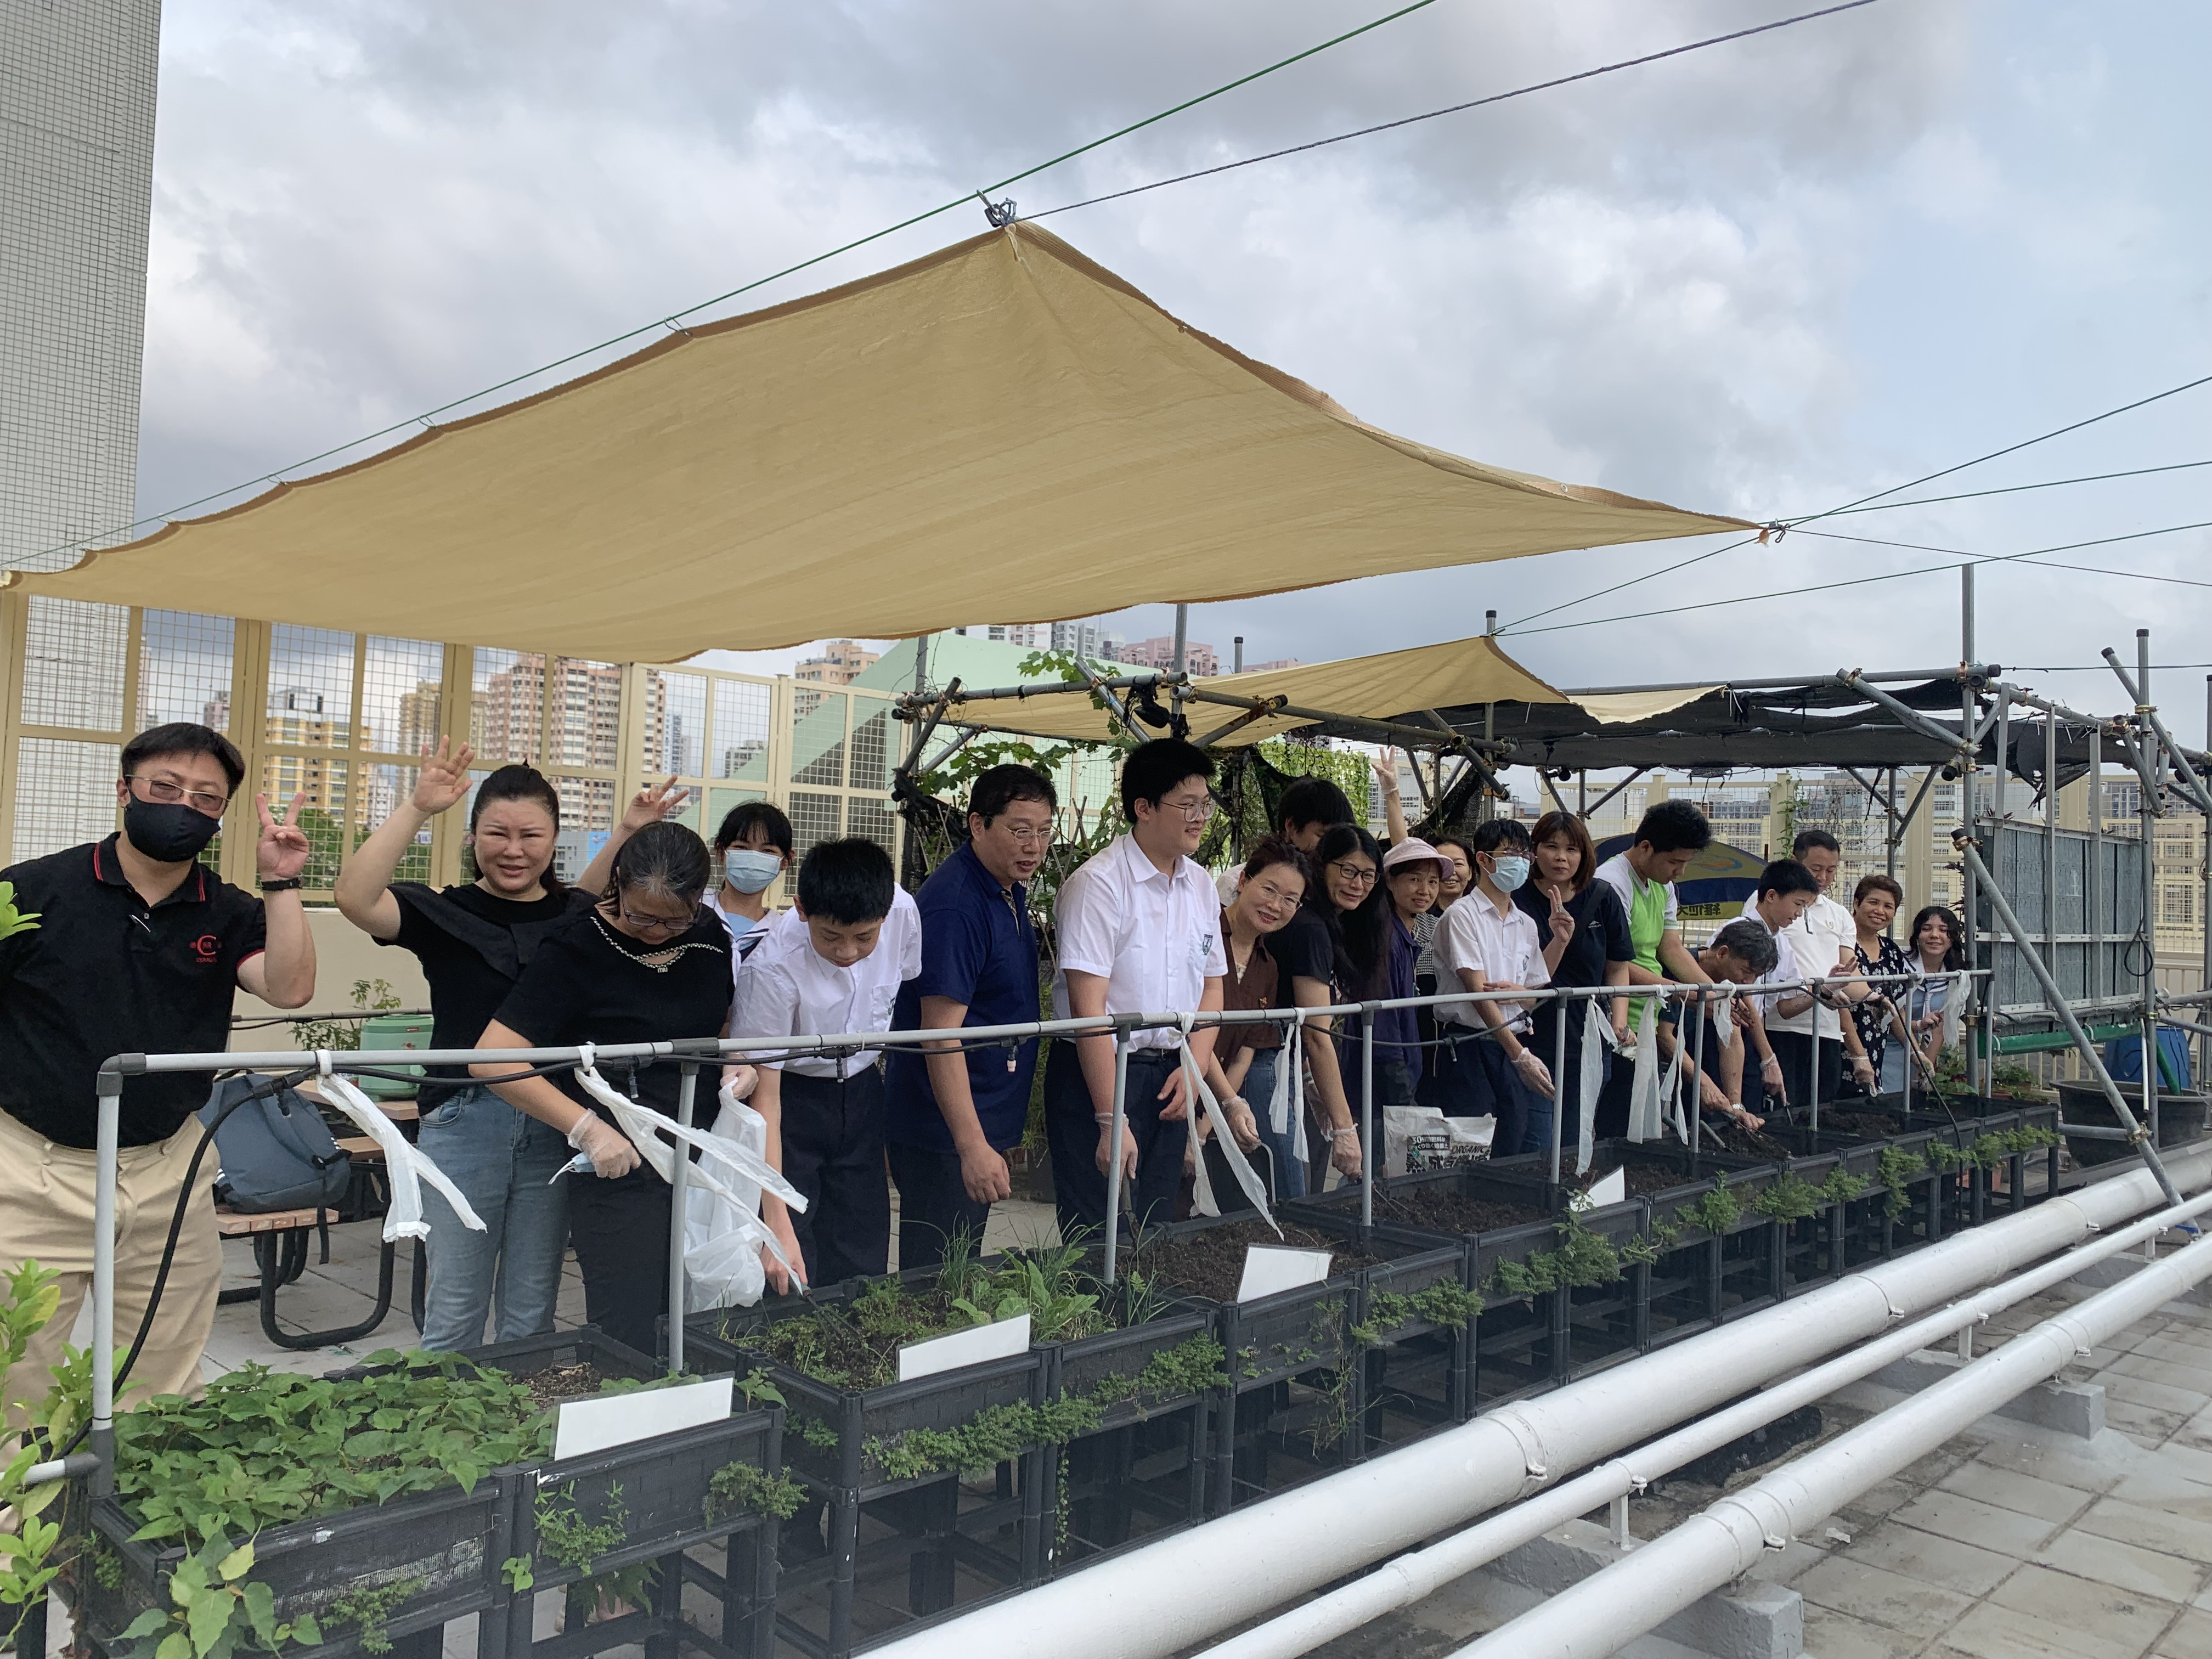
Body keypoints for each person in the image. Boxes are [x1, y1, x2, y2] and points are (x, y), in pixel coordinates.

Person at [0, 723, 315, 1408]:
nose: (183, 807)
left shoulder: (227, 910)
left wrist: (281, 881)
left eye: (205, 798)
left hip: (166, 1173)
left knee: (161, 1384)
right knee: (13, 1385)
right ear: (125, 791)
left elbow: (289, 988)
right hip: (32, 1173)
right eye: (165, 788)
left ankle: (135, 1477)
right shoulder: (30, 892)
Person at [337, 747, 606, 1351]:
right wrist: (417, 806)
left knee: (532, 1309)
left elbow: (584, 898)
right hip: (463, 1122)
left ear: (555, 840)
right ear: (473, 836)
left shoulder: (576, 918)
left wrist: (629, 831)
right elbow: (355, 899)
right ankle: (444, 1410)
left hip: (554, 1122)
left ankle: (523, 1408)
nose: (514, 850)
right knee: (456, 1309)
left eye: (531, 836)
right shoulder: (446, 913)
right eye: (497, 834)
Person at [471, 821, 730, 1356]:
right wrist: (587, 1129)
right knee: (629, 1325)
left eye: (674, 919)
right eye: (641, 916)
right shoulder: (576, 947)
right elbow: (492, 1057)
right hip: (621, 1164)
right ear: (617, 886)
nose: (658, 932)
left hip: (704, 1155)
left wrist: (736, 1066)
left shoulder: (708, 935)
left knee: (707, 1318)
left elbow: (720, 1023)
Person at [1046, 739, 1227, 1237]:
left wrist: (1194, 1067)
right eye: (1187, 805)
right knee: (1097, 1231)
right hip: (1102, 1071)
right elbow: (1089, 1007)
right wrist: (1110, 1117)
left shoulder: (1201, 885)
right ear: (1143, 808)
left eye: (1205, 805)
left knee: (1155, 1225)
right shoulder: (1099, 884)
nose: (1200, 818)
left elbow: (1212, 987)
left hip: (1172, 1073)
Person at [883, 766, 1056, 1269]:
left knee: (961, 1267)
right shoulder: (956, 905)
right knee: (938, 1272)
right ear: (978, 825)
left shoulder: (1006, 887)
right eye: (1020, 830)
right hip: (944, 1132)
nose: (1034, 846)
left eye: (1044, 831)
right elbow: (940, 1034)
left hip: (984, 1115)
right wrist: (972, 1145)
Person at [732, 837, 921, 1289]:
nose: (848, 952)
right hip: (792, 1099)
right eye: (831, 937)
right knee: (790, 1252)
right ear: (801, 909)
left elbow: (905, 978)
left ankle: (857, 1327)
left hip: (862, 1088)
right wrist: (775, 1222)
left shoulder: (901, 911)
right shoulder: (772, 969)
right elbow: (765, 1099)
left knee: (862, 1240)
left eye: (865, 937)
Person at [1592, 800, 1717, 1136]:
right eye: (1675, 862)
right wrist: (1677, 991)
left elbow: (1671, 948)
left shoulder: (1664, 886)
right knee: (1615, 1122)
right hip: (1617, 1019)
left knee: (1639, 1121)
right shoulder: (1611, 883)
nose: (1680, 872)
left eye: (1686, 863)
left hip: (1648, 1015)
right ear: (1646, 847)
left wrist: (1714, 993)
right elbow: (1614, 962)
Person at [1435, 821, 1553, 1158]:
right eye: (1511, 853)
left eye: (1526, 855)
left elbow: (1535, 992)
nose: (1521, 862)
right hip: (1469, 1044)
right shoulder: (1461, 916)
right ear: (1484, 860)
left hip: (1514, 1043)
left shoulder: (1526, 923)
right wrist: (1519, 1055)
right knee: (1469, 1147)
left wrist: (1521, 995)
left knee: (1511, 1144)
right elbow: (1478, 993)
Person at [1516, 811, 1634, 1140]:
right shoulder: (1517, 898)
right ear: (1534, 851)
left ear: (1584, 855)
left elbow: (1617, 966)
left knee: (1575, 1138)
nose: (1561, 857)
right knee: (1538, 1138)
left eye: (1572, 849)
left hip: (1589, 1037)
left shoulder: (1603, 896)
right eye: (1551, 846)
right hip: (1533, 1036)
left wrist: (1619, 1021)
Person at [1267, 823, 1369, 1192]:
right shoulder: (1311, 929)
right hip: (1275, 1072)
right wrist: (1344, 1127)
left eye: (1368, 875)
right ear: (1322, 865)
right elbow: (1316, 1035)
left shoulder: (1326, 925)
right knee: (1293, 1196)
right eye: (1348, 870)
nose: (1357, 884)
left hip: (1294, 1070)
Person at [1204, 839, 1307, 1198]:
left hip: (1217, 1107)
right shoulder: (1204, 935)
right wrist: (1224, 1107)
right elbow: (1195, 1033)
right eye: (1269, 889)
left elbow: (1245, 1052)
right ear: (1244, 880)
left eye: (1290, 900)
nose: (1276, 906)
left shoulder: (1268, 966)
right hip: (1180, 1087)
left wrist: (1211, 1120)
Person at [1742, 830, 1871, 1110]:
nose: (1823, 877)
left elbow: (1849, 973)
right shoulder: (1766, 903)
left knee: (1820, 1106)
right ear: (1795, 861)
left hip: (1826, 1026)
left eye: (1831, 870)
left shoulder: (1839, 914)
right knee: (1783, 1106)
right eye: (1816, 869)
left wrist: (1874, 997)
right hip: (1778, 1025)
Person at [1656, 918, 1784, 1130]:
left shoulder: (1734, 982)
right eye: (1746, 971)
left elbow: (1732, 1039)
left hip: (1706, 1052)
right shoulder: (1678, 967)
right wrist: (1704, 1083)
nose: (1749, 982)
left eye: (1757, 976)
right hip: (1672, 1055)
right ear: (1722, 953)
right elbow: (1664, 1035)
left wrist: (1736, 1105)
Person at [1735, 860, 1822, 1118]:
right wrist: (1768, 1057)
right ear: (1771, 896)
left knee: (1751, 1110)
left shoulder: (1782, 943)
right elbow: (1744, 998)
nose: (1799, 914)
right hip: (1731, 1033)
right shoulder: (1737, 931)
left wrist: (1824, 991)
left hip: (1755, 1038)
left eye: (1804, 907)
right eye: (1798, 904)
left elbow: (1785, 1007)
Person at [1843, 873, 1911, 1097]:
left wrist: (1915, 1052)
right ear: (1856, 903)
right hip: (1840, 1048)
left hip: (1875, 1052)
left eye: (1888, 906)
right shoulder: (1842, 944)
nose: (1880, 911)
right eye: (1873, 902)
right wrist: (1858, 1054)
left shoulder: (1892, 951)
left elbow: (1896, 1010)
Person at [710, 800, 794, 962]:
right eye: (741, 847)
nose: (754, 857)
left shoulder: (784, 935)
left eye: (768, 850)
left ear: (785, 860)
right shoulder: (691, 910)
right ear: (720, 851)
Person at [1898, 905, 1967, 1089]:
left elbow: (1939, 1027)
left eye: (1943, 930)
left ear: (1953, 938)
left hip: (1918, 1053)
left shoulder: (1955, 975)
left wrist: (1925, 1069)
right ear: (1917, 935)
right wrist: (1918, 1026)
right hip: (1888, 1045)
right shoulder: (1899, 964)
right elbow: (1889, 1016)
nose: (1935, 935)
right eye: (1927, 929)